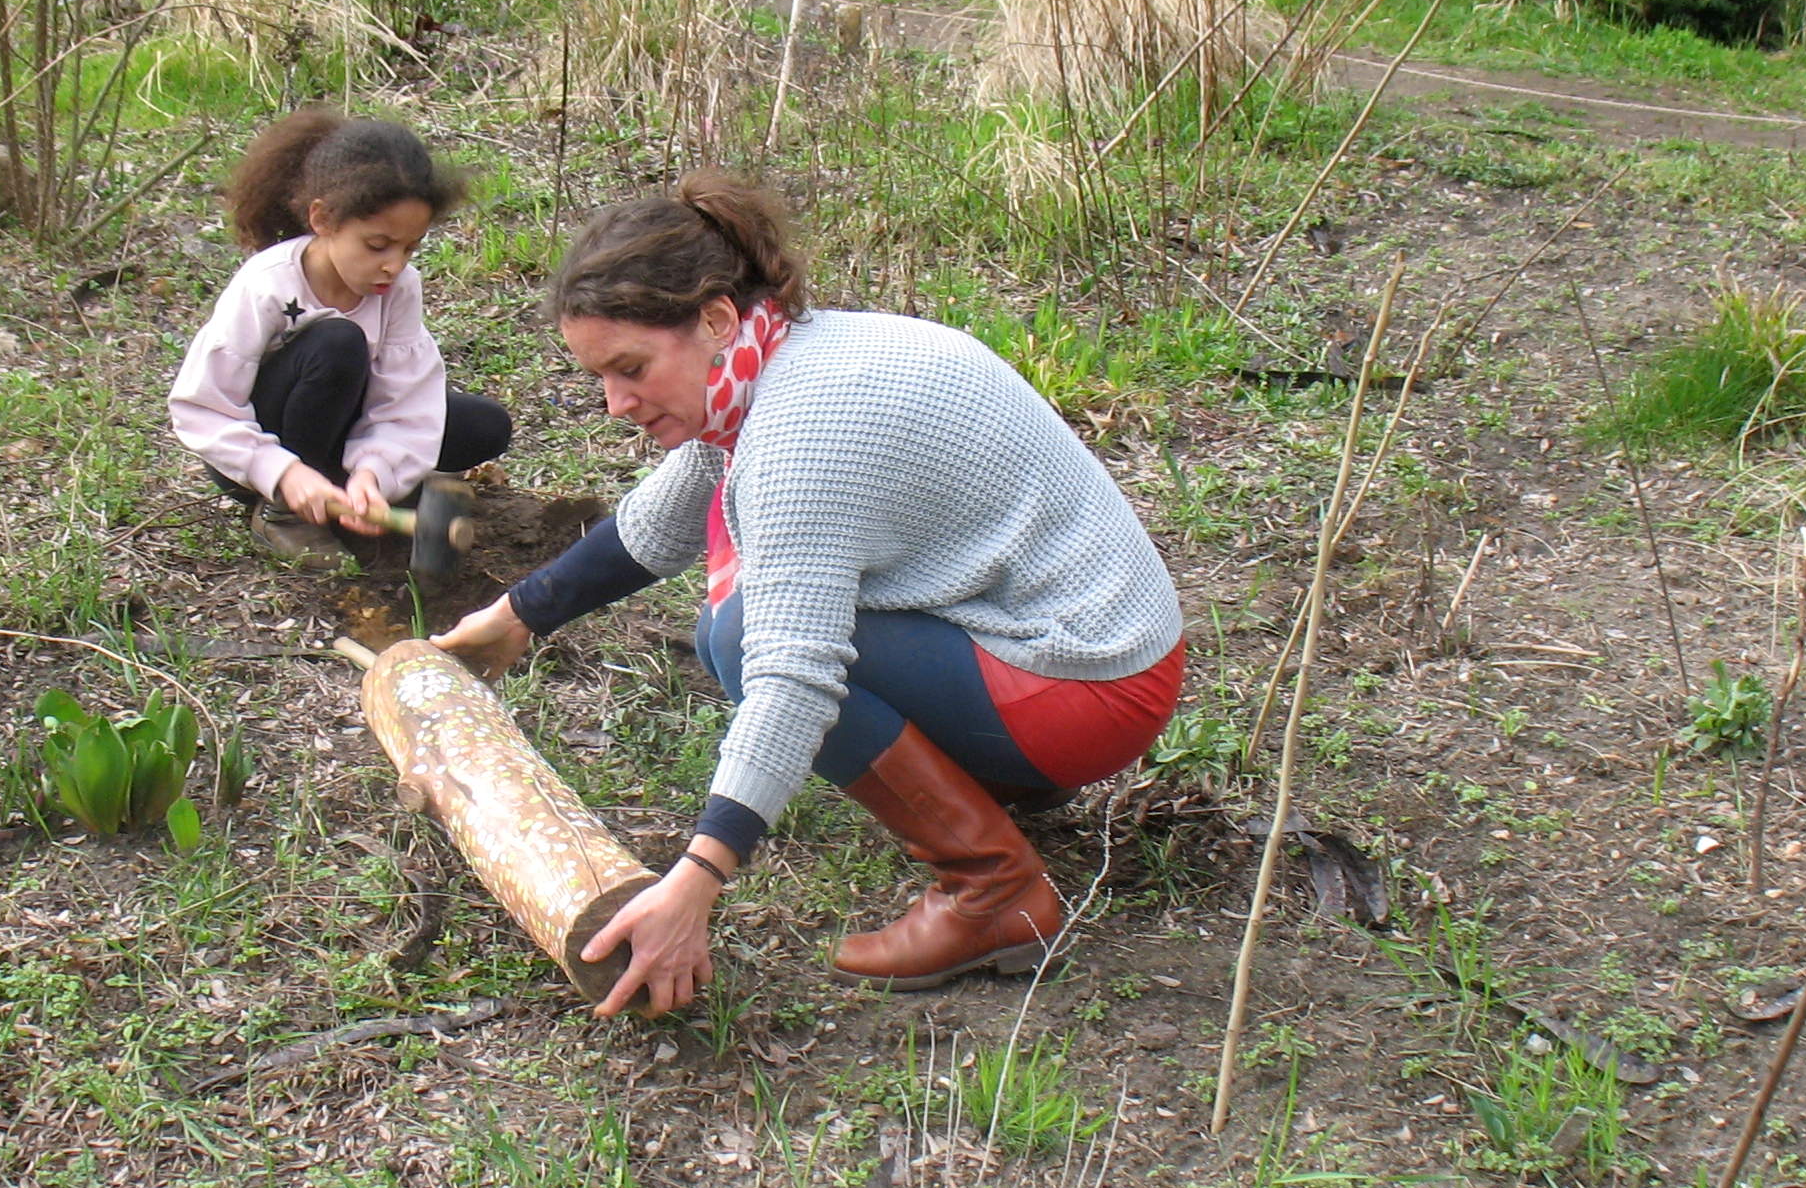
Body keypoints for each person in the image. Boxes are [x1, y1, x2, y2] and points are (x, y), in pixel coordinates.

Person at [433, 174, 1186, 1016]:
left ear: (715, 319)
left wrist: (695, 880)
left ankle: (993, 892)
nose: (616, 404)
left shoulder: (804, 429)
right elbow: (666, 515)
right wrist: (517, 617)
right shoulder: (781, 357)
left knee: (738, 635)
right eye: (601, 377)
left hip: (1086, 686)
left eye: (631, 368)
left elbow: (793, 675)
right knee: (735, 627)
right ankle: (1001, 786)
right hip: (1088, 644)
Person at [171, 111, 513, 566]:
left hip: (340, 425)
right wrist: (284, 473)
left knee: (484, 426)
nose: (394, 264)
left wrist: (374, 473)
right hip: (261, 451)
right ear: (323, 218)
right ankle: (285, 512)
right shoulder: (267, 285)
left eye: (410, 247)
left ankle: (346, 489)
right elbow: (203, 408)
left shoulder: (399, 286)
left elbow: (405, 395)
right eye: (377, 245)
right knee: (338, 343)